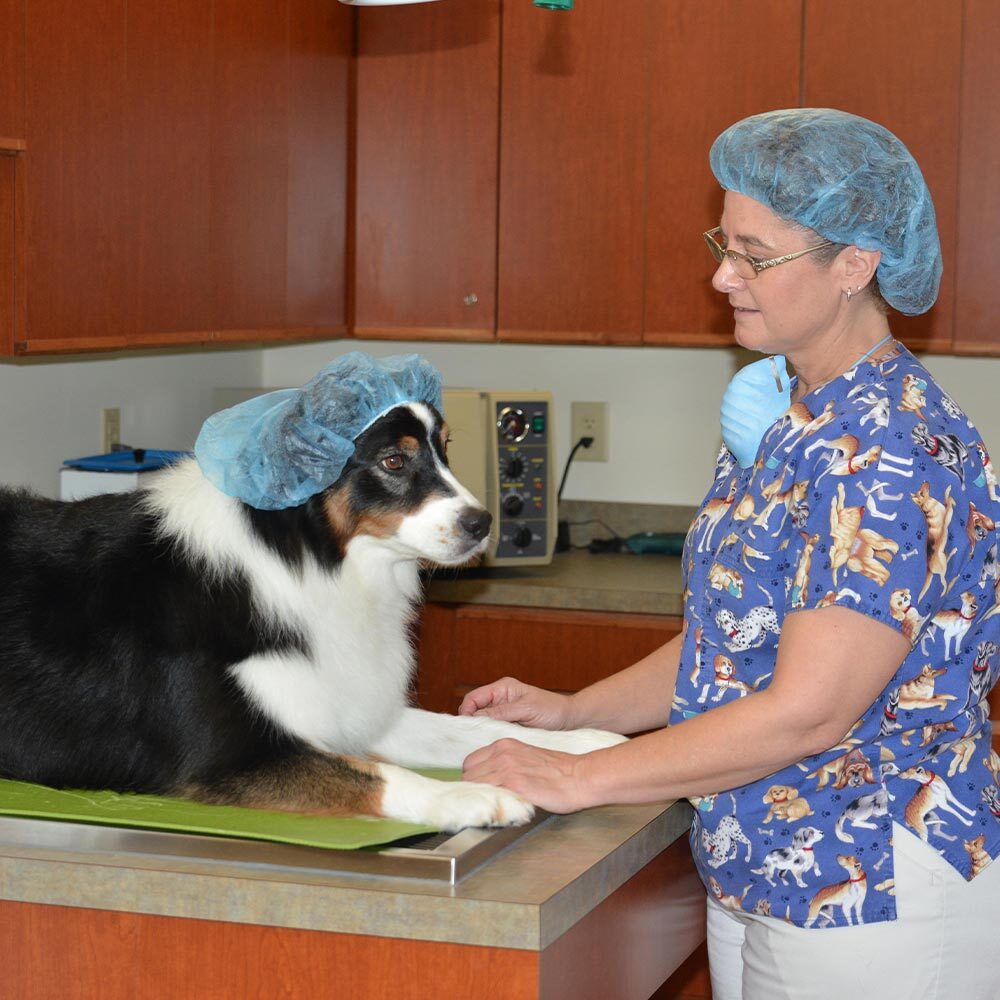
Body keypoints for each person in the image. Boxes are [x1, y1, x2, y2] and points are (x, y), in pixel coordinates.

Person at [459, 108, 1000, 1000]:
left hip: (870, 891)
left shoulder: (889, 456)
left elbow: (805, 713)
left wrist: (581, 775)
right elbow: (739, 634)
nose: (721, 276)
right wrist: (575, 710)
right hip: (761, 864)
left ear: (855, 265)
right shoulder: (795, 418)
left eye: (755, 255)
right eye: (724, 242)